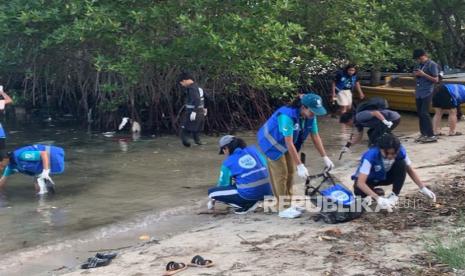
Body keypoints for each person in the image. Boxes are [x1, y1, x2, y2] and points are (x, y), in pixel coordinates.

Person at [257, 93, 334, 218]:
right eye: (312, 111)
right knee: (280, 174)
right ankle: (282, 207)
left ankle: (289, 203)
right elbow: (288, 142)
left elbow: (315, 136)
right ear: (303, 107)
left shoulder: (310, 116)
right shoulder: (287, 116)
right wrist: (300, 165)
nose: (314, 114)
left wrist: (325, 157)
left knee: (291, 172)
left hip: (287, 142)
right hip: (272, 144)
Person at [352, 134, 436, 211]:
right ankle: (375, 193)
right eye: (387, 153)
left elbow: (409, 170)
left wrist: (422, 187)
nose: (390, 156)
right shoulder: (371, 155)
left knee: (402, 164)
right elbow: (361, 183)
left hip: (387, 177)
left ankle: (394, 195)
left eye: (393, 154)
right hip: (369, 179)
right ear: (381, 149)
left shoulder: (401, 152)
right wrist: (378, 198)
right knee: (360, 192)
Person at [208, 135, 273, 214]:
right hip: (269, 190)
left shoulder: (228, 163)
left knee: (212, 192)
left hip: (250, 195)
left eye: (223, 151)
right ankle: (259, 199)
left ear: (226, 148)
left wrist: (213, 199)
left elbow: (223, 184)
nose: (224, 154)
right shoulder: (254, 150)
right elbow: (265, 167)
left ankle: (246, 205)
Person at [0, 144, 65, 195]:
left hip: (53, 157)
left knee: (42, 189)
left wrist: (46, 171)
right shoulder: (11, 166)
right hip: (38, 170)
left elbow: (44, 154)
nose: (0, 168)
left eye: (0, 164)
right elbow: (2, 180)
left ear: (5, 159)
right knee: (39, 190)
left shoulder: (22, 155)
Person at [412, 49, 439, 143]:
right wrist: (416, 75)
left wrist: (423, 74)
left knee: (424, 113)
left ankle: (431, 135)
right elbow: (417, 76)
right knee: (419, 113)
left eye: (418, 59)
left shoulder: (432, 64)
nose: (417, 61)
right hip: (419, 92)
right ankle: (423, 134)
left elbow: (436, 80)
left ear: (423, 56)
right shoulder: (419, 65)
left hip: (427, 92)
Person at [178, 72, 207, 147]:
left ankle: (187, 146)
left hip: (193, 111)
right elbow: (205, 97)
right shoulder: (198, 87)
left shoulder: (191, 88)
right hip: (200, 111)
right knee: (196, 129)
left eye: (181, 83)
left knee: (183, 130)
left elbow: (197, 99)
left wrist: (194, 112)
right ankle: (198, 143)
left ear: (184, 80)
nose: (182, 85)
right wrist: (205, 108)